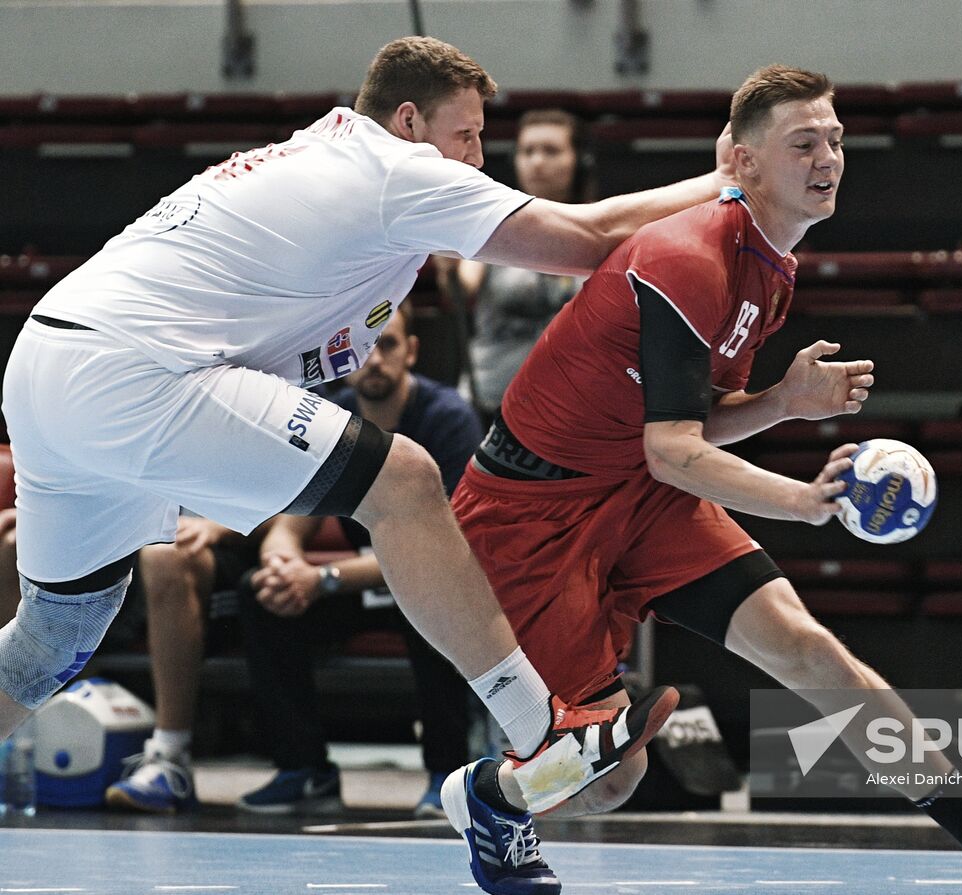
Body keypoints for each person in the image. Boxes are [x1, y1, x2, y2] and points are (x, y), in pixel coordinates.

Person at [0, 35, 735, 894]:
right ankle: (542, 729)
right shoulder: (393, 168)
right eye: (467, 135)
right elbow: (587, 236)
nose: (478, 159)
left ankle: (521, 765)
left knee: (52, 638)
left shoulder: (331, 164)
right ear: (409, 120)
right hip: (131, 370)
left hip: (49, 362)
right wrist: (733, 182)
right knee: (406, 480)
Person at [448, 64, 962, 895]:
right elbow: (673, 450)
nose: (827, 158)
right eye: (803, 144)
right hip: (531, 515)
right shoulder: (688, 255)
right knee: (613, 779)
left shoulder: (770, 265)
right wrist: (802, 499)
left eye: (835, 139)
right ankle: (493, 795)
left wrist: (782, 402)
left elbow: (688, 425)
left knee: (808, 648)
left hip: (637, 492)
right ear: (742, 159)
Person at [235, 301, 484, 818]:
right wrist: (282, 561)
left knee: (430, 606)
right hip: (363, 586)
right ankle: (303, 770)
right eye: (361, 346)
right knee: (260, 594)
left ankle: (447, 774)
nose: (373, 359)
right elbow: (293, 514)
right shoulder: (331, 417)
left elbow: (450, 547)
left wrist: (324, 577)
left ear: (411, 352)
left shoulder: (446, 418)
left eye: (386, 344)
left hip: (435, 581)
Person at [437, 109, 591, 416]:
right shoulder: (492, 223)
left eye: (551, 151)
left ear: (579, 160)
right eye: (527, 151)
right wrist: (448, 263)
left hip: (573, 404)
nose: (537, 162)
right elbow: (461, 289)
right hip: (492, 401)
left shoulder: (597, 229)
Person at [103, 514, 258, 813]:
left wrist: (219, 527)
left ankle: (170, 758)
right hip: (127, 543)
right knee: (18, 543)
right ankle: (20, 750)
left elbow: (296, 506)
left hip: (220, 552)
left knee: (164, 554)